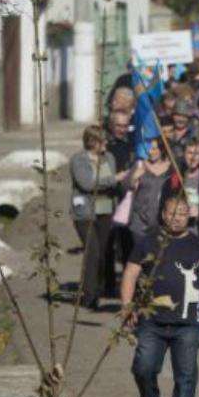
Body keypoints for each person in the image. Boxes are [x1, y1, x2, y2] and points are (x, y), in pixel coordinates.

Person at [120, 193, 199, 397]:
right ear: (162, 214)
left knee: (186, 374)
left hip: (188, 323)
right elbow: (129, 275)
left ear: (189, 215)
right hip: (151, 320)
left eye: (181, 214)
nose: (176, 218)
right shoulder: (147, 243)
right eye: (171, 213)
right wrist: (127, 307)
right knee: (143, 367)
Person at [71, 126, 121, 309]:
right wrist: (112, 180)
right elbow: (87, 183)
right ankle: (89, 295)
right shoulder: (78, 159)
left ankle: (101, 287)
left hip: (106, 210)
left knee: (105, 251)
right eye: (103, 141)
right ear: (92, 142)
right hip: (85, 212)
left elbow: (108, 184)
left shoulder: (109, 158)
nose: (106, 144)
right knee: (92, 251)